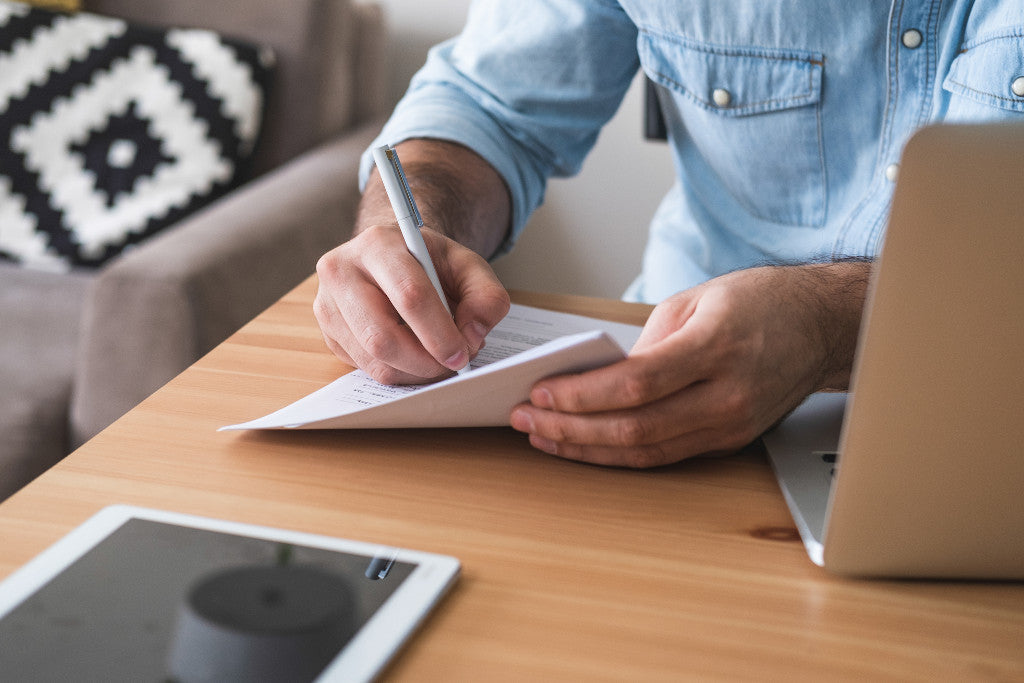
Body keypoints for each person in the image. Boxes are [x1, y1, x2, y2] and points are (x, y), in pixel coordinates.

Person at [314, 1, 1023, 468]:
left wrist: (832, 326)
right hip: (665, 415)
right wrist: (405, 230)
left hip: (991, 425)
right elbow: (487, 107)